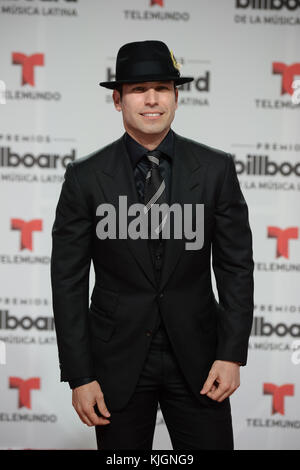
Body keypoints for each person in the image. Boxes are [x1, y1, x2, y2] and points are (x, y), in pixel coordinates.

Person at [50, 40, 254, 450]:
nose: (151, 99)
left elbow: (235, 269)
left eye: (162, 88)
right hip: (116, 361)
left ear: (176, 97)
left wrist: (231, 354)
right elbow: (68, 282)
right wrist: (80, 374)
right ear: (117, 99)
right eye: (139, 89)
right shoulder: (85, 177)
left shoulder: (216, 170)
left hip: (200, 358)